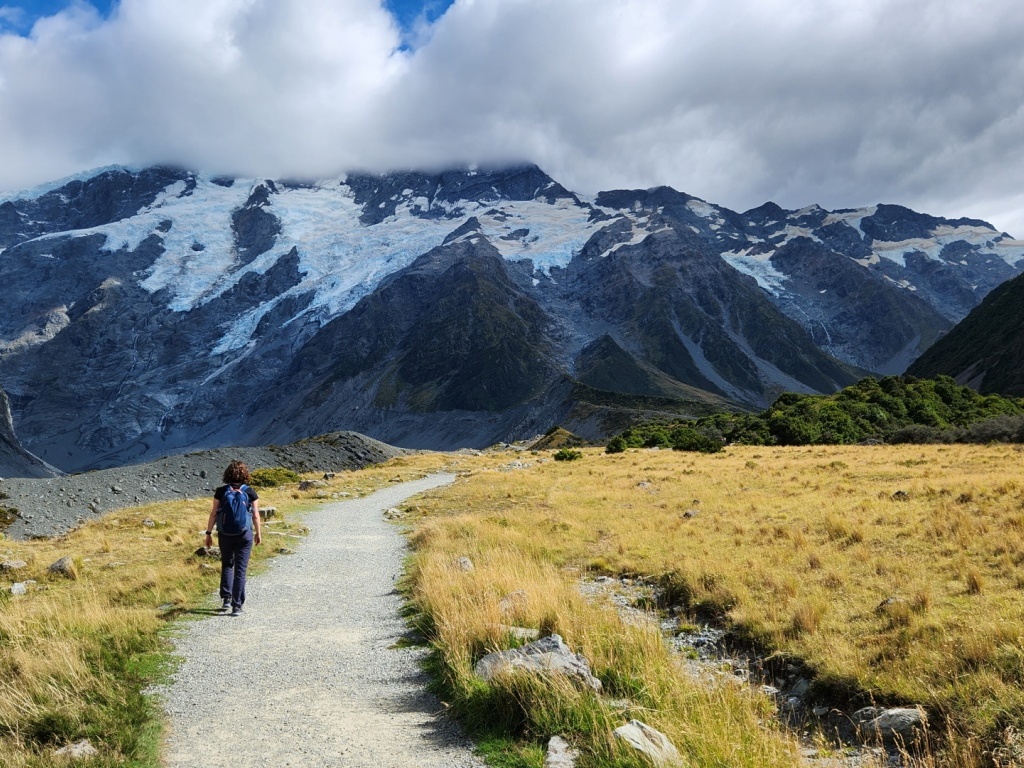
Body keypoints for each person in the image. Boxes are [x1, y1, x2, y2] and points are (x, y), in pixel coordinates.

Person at [204, 460, 261, 616]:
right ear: (245, 475)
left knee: (227, 564)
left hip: (225, 534)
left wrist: (208, 533)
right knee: (240, 570)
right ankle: (237, 606)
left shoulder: (221, 491)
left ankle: (226, 599)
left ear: (227, 474)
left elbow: (214, 513)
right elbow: (255, 515)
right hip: (245, 534)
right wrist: (258, 533)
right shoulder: (250, 492)